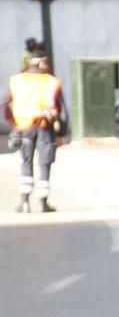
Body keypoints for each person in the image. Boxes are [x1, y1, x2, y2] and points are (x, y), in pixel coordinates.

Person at [3, 52, 69, 213]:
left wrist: (13, 123)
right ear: (39, 63)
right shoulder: (51, 82)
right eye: (45, 62)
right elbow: (62, 110)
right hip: (46, 126)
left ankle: (24, 202)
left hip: (24, 126)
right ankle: (42, 202)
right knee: (44, 163)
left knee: (26, 161)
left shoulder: (16, 80)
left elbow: (3, 103)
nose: (47, 65)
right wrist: (62, 133)